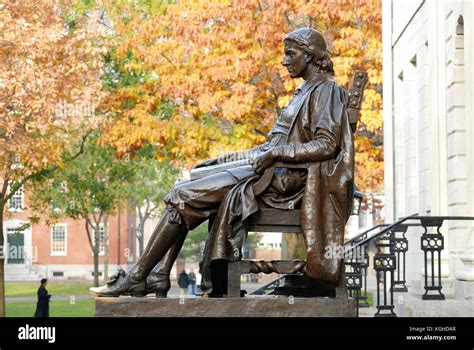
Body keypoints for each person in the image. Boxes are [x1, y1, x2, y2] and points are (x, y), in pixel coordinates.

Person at [90, 27, 354, 298]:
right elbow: (269, 146)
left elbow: (327, 145)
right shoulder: (303, 92)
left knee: (182, 195)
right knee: (188, 182)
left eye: (290, 53)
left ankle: (139, 276)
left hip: (285, 183)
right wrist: (225, 159)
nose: (284, 60)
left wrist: (276, 154)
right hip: (270, 171)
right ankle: (157, 275)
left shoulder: (327, 92)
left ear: (309, 55)